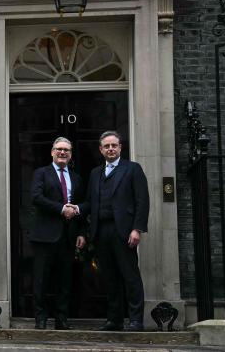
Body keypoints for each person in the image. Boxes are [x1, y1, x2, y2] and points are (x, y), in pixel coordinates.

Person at [76, 131, 150, 332]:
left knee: (130, 276)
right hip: (100, 232)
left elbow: (142, 201)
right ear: (100, 150)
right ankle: (114, 319)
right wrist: (76, 210)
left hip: (124, 231)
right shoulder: (95, 173)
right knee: (110, 278)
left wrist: (137, 229)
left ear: (120, 148)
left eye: (114, 145)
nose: (110, 149)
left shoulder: (133, 169)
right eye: (106, 146)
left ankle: (136, 320)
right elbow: (90, 203)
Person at [30, 137, 86, 330]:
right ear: (52, 152)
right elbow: (36, 197)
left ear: (70, 155)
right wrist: (62, 209)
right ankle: (41, 318)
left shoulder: (77, 178)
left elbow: (83, 204)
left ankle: (62, 319)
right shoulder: (41, 173)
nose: (63, 153)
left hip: (68, 236)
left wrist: (80, 230)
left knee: (64, 281)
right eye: (59, 149)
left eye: (67, 150)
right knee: (41, 279)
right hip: (44, 235)